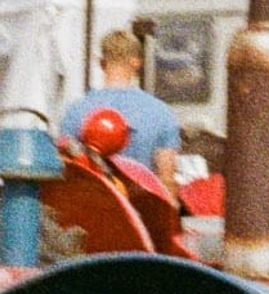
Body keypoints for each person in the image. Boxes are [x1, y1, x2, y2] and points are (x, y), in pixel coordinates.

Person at [58, 29, 182, 190]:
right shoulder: (161, 113)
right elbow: (167, 179)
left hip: (93, 205)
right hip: (141, 209)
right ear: (137, 63)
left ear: (102, 63)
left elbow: (66, 168)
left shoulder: (77, 110)